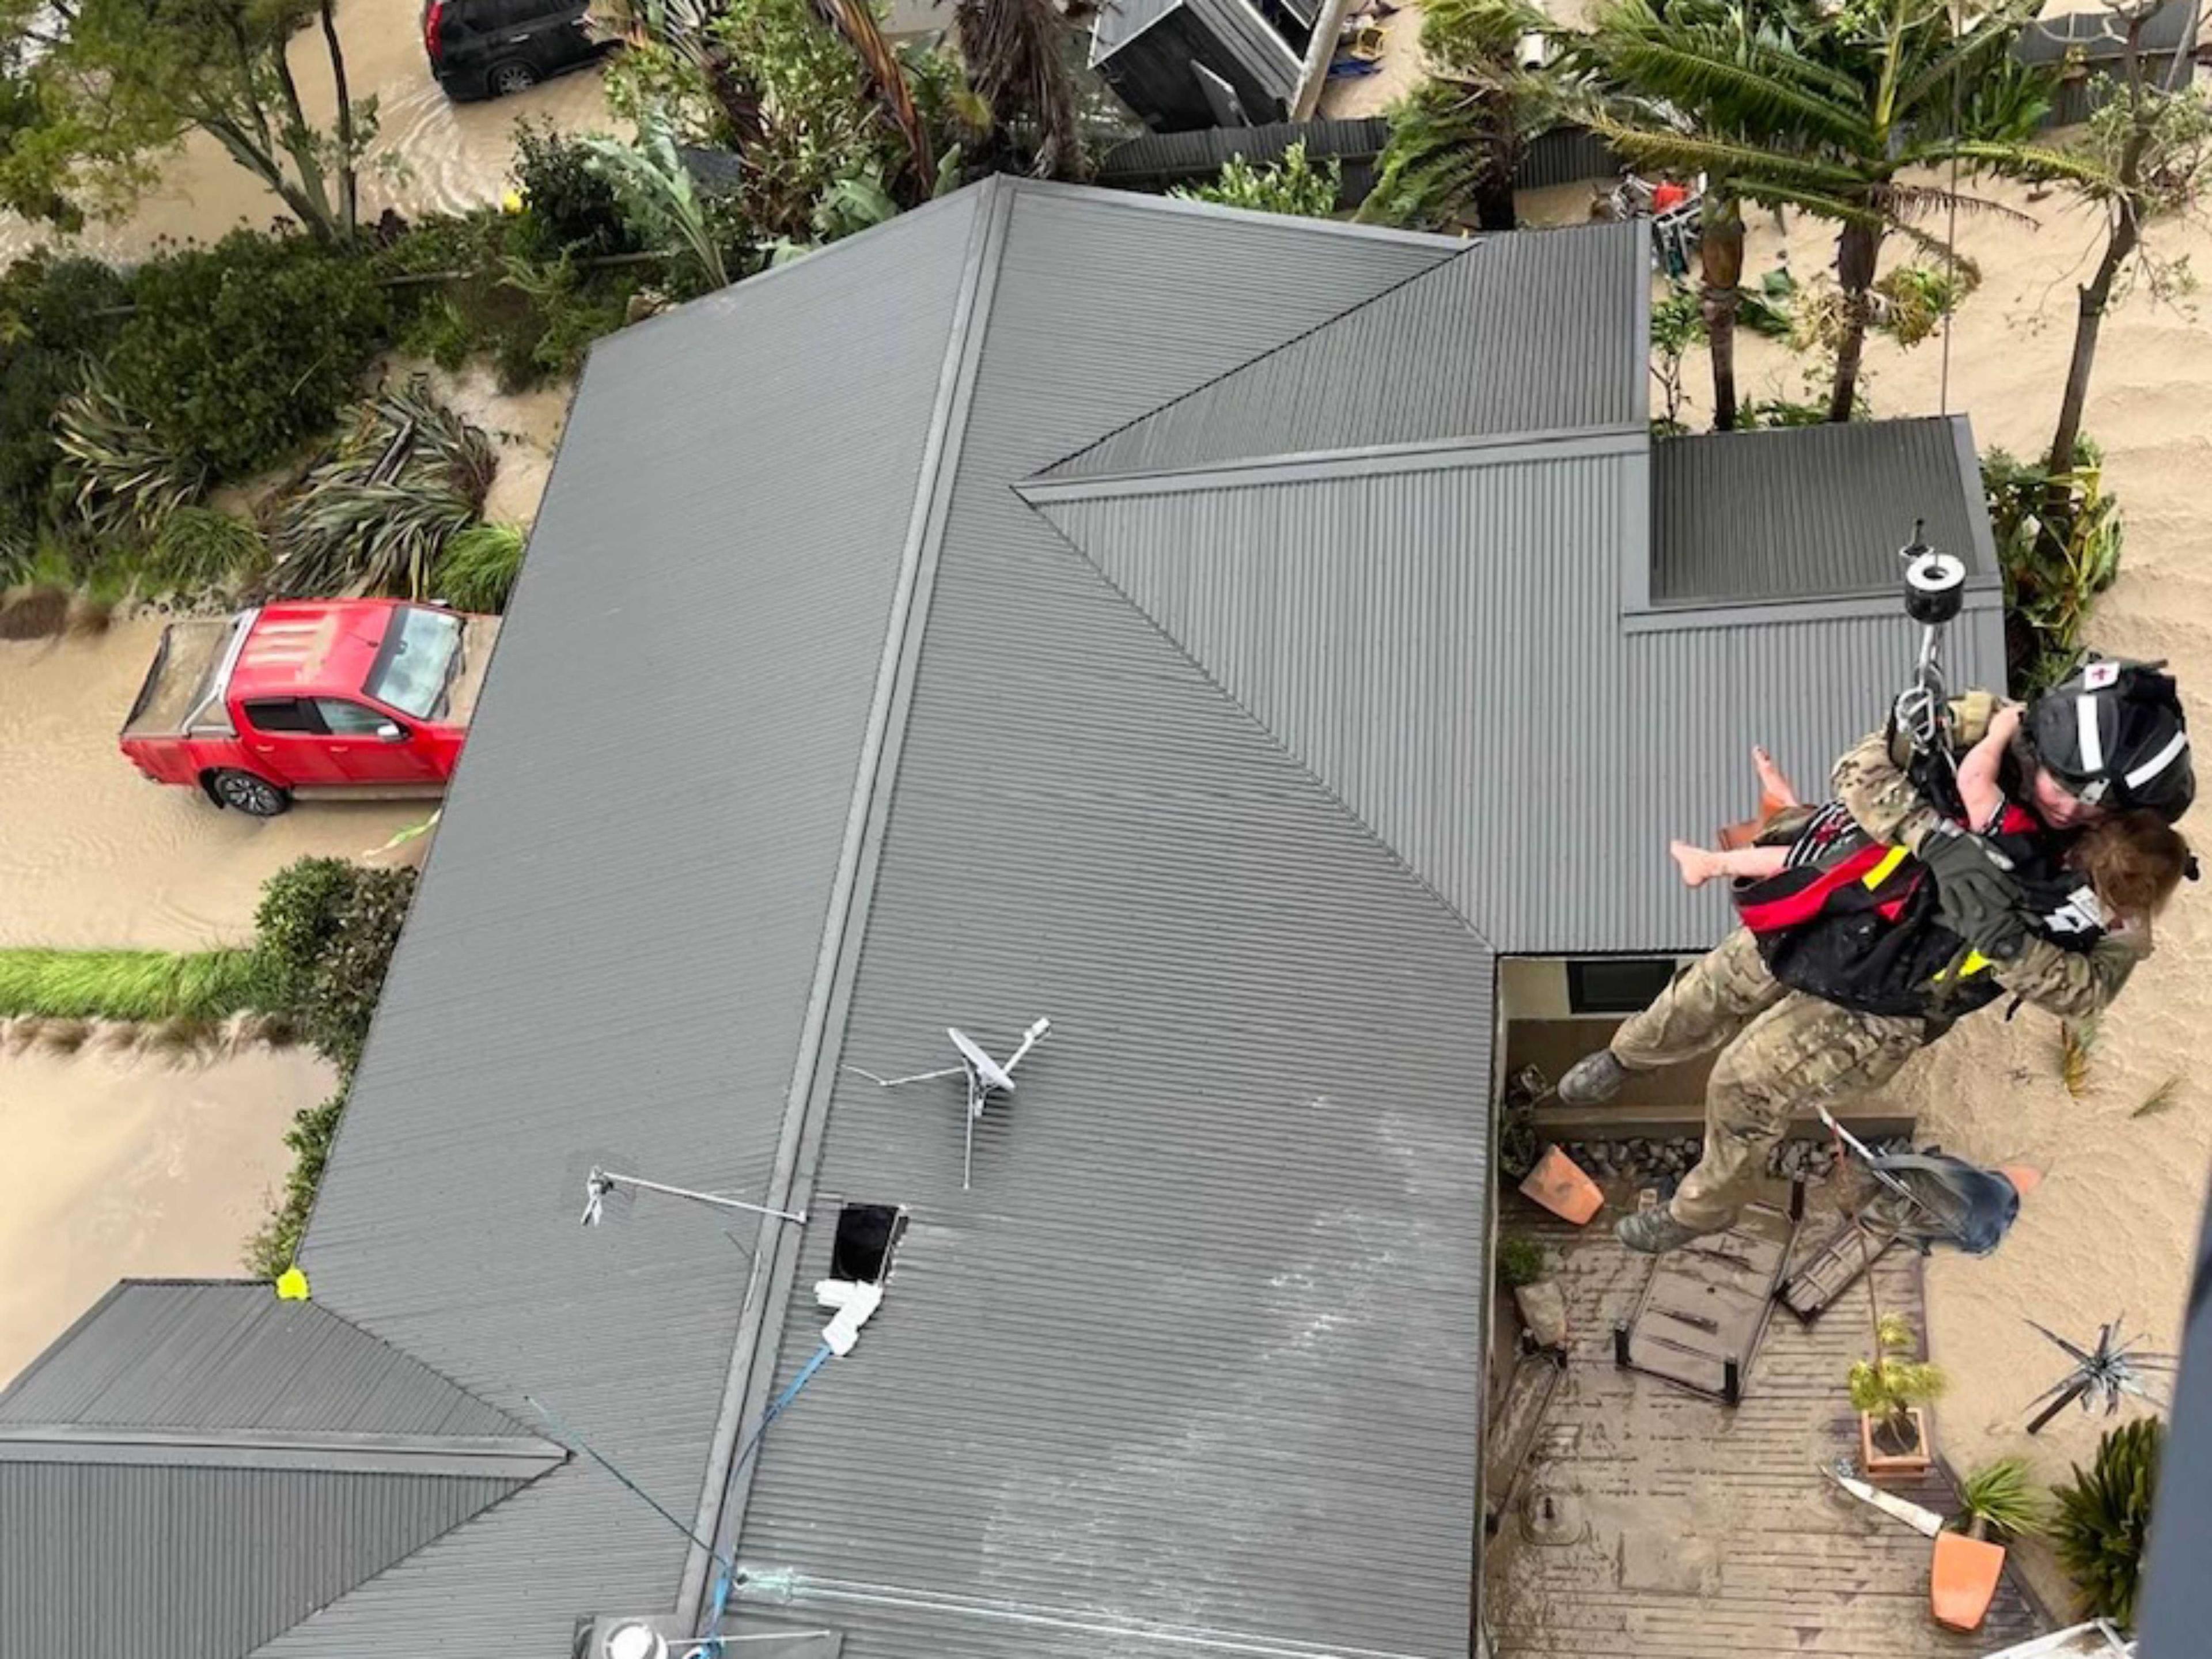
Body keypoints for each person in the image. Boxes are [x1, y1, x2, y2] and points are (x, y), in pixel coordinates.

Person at [1559, 657, 2194, 1255]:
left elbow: (2088, 994)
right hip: (1841, 902)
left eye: (2095, 806)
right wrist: (1932, 837)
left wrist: (2003, 939)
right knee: (1705, 990)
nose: (2070, 808)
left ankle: (1702, 1210)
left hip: (1899, 996)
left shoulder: (2128, 870)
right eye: (2063, 785)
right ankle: (1626, 1056)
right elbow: (1859, 768)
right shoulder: (1980, 726)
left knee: (1745, 1082)